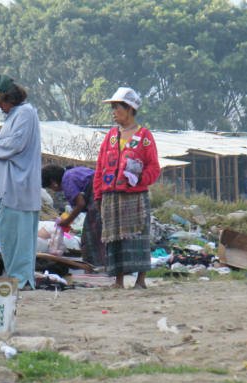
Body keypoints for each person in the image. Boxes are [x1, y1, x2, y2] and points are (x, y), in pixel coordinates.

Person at [94, 87, 161, 289]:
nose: (114, 112)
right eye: (113, 108)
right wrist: (98, 193)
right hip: (111, 196)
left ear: (130, 109)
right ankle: (118, 280)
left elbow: (154, 167)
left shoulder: (145, 136)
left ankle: (140, 280)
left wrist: (139, 179)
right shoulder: (110, 137)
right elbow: (100, 166)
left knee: (138, 236)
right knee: (114, 237)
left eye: (117, 108)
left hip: (134, 196)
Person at [0, 74, 41, 290]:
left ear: (10, 98)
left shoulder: (25, 113)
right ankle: (16, 277)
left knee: (20, 238)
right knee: (8, 237)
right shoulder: (14, 116)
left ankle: (22, 280)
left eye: (0, 102)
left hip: (18, 186)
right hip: (7, 188)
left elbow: (13, 145)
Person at [41, 164, 105, 266]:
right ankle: (99, 265)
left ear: (53, 183)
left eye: (50, 187)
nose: (53, 190)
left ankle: (95, 267)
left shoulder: (67, 180)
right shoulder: (71, 173)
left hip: (98, 197)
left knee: (90, 238)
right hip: (101, 195)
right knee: (96, 234)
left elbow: (80, 203)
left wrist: (66, 221)